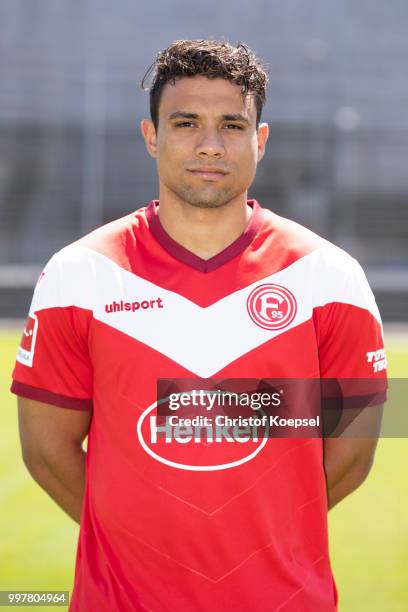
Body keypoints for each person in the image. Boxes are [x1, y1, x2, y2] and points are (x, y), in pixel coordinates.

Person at [11, 39, 387, 611]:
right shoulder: (79, 274)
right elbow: (46, 449)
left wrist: (257, 541)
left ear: (260, 141)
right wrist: (141, 546)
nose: (210, 145)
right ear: (151, 136)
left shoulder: (329, 277)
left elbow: (353, 454)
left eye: (232, 126)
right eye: (186, 122)